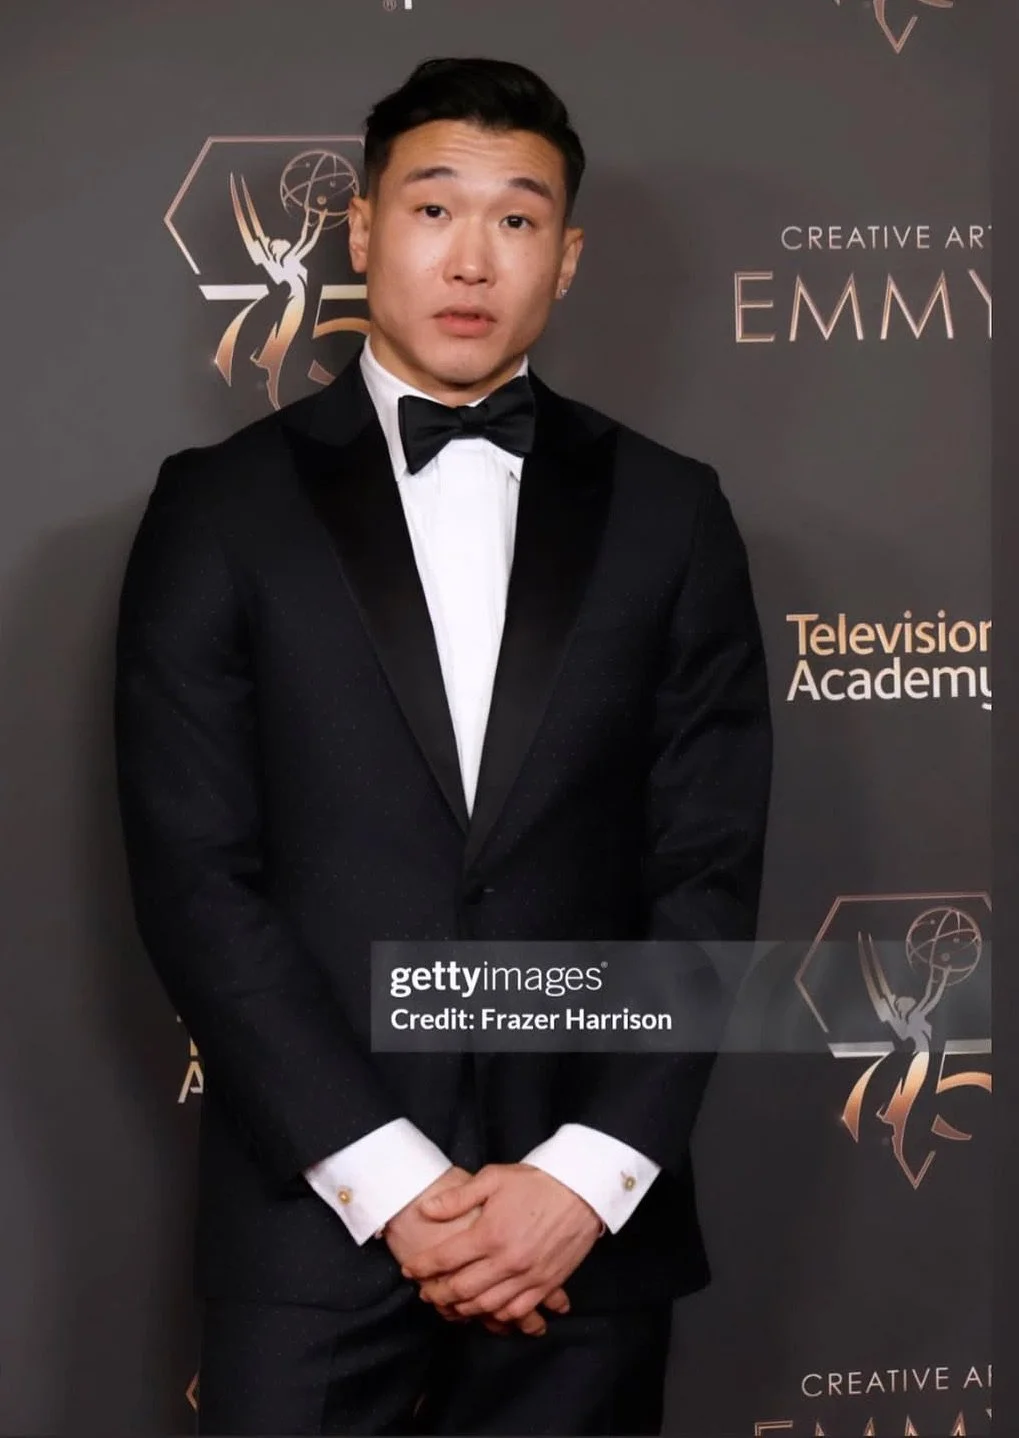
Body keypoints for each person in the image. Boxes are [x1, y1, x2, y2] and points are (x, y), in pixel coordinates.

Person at [114, 55, 772, 1437]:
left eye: (518, 218)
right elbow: (195, 878)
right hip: (311, 1223)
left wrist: (586, 1175)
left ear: (567, 256)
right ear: (361, 231)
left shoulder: (672, 512)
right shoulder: (218, 508)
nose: (473, 257)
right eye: (432, 208)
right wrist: (395, 1184)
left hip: (580, 1242)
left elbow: (708, 874)